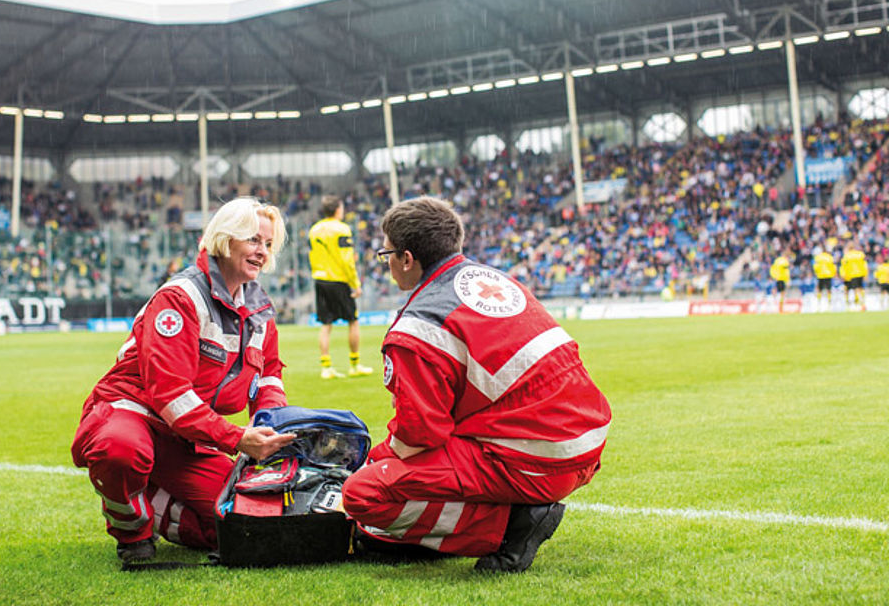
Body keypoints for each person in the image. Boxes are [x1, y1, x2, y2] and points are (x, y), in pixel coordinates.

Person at [342, 197, 611, 573]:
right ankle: (515, 511)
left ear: (406, 259)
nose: (386, 264)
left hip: (538, 458)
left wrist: (376, 459)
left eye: (386, 253)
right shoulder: (496, 279)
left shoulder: (418, 326)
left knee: (363, 492)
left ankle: (511, 529)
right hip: (587, 439)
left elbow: (420, 434)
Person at [71, 197, 297, 562]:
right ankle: (132, 531)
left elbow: (268, 373)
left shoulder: (259, 308)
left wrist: (271, 424)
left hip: (187, 433)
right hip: (133, 414)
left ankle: (147, 492)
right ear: (226, 239)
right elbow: (172, 396)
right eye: (254, 240)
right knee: (121, 451)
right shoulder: (180, 297)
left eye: (268, 245)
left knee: (236, 524)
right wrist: (237, 438)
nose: (262, 252)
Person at [308, 195, 372, 379]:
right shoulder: (342, 229)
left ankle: (326, 367)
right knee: (353, 320)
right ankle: (354, 364)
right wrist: (355, 284)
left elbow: (312, 256)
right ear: (338, 209)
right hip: (339, 279)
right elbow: (347, 261)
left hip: (320, 279)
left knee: (326, 324)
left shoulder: (314, 230)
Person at [839, 242, 868, 311]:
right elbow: (865, 264)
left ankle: (861, 304)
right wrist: (865, 274)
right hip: (861, 273)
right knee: (860, 288)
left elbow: (843, 266)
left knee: (855, 289)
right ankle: (862, 302)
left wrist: (843, 275)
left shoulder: (847, 256)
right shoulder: (860, 254)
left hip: (852, 274)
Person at [812, 247, 836, 311]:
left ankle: (819, 304)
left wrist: (817, 273)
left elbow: (815, 267)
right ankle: (829, 304)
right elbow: (833, 267)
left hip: (820, 275)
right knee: (829, 290)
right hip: (828, 275)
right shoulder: (830, 257)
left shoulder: (818, 257)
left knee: (819, 290)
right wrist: (833, 274)